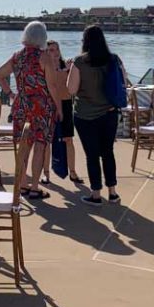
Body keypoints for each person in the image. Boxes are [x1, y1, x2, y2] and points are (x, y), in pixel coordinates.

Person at [0, 21, 63, 200]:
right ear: (42, 37)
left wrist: (11, 94)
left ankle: (22, 184)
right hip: (41, 107)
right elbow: (53, 86)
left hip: (21, 106)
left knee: (23, 146)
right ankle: (34, 187)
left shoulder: (17, 57)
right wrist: (59, 108)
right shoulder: (44, 57)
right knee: (40, 146)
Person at [66, 24, 127, 205]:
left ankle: (95, 193)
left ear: (85, 40)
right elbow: (123, 82)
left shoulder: (79, 62)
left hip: (85, 115)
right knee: (108, 152)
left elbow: (71, 89)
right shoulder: (114, 59)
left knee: (92, 155)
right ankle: (113, 192)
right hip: (109, 113)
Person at [42, 40, 82, 185]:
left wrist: (71, 70)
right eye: (51, 50)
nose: (55, 52)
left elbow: (75, 87)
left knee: (68, 139)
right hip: (49, 104)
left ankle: (72, 171)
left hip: (65, 104)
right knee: (47, 141)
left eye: (56, 49)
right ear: (46, 52)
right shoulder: (44, 67)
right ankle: (46, 173)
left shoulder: (66, 65)